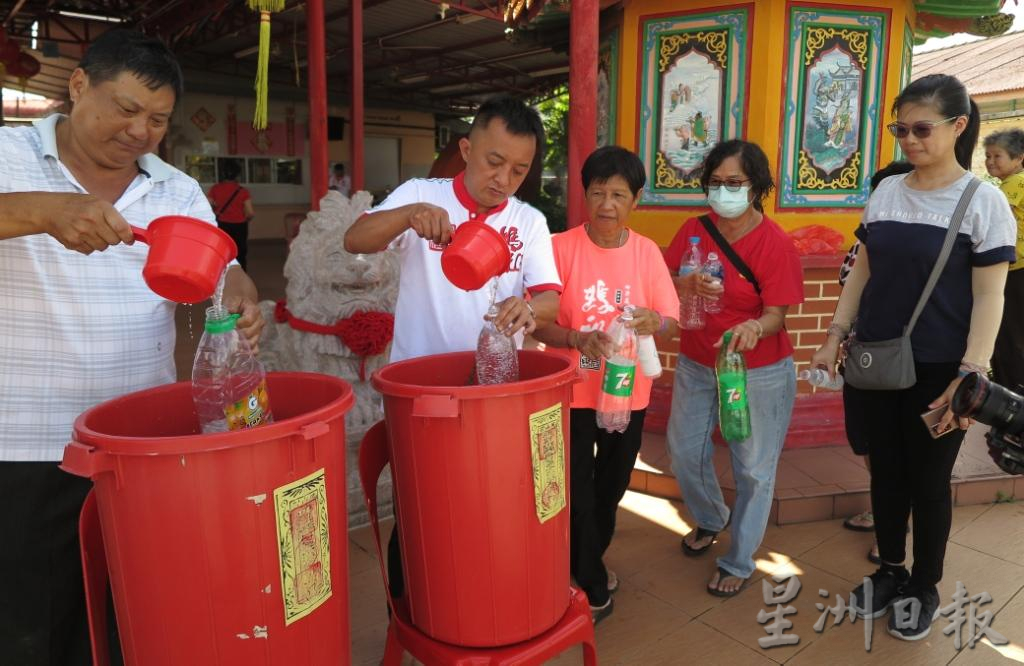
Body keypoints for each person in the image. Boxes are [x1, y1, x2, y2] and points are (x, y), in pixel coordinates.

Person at [0, 30, 264, 666]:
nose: (140, 130)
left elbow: (225, 270)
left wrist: (243, 299)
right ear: (80, 85)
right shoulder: (8, 151)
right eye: (126, 108)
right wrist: (43, 211)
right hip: (23, 443)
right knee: (32, 626)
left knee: (134, 621)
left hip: (137, 448)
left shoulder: (175, 188)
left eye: (157, 119)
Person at [811, 74, 1015, 641]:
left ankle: (924, 584)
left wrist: (972, 374)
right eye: (900, 129)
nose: (909, 140)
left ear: (958, 126)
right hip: (875, 360)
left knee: (928, 481)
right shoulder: (887, 192)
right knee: (885, 472)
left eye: (921, 129)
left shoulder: (984, 202)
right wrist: (834, 335)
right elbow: (863, 273)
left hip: (939, 370)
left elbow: (989, 295)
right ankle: (891, 570)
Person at [344, 95, 562, 599]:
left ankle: (477, 601)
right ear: (466, 148)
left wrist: (530, 310)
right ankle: (412, 606)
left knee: (487, 502)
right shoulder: (424, 192)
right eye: (494, 161)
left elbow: (550, 296)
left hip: (493, 394)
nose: (504, 178)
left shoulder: (528, 222)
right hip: (419, 393)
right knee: (420, 504)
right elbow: (355, 239)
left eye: (519, 169)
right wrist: (408, 215)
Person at [532, 146, 679, 623]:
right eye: (598, 192)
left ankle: (585, 559)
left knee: (612, 485)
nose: (607, 204)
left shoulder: (646, 253)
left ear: (635, 199)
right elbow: (536, 324)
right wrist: (577, 337)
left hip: (625, 394)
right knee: (575, 487)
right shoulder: (559, 248)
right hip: (571, 392)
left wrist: (654, 318)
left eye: (618, 194)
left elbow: (671, 321)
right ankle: (591, 581)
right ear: (585, 194)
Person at [663, 139, 804, 597]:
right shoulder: (692, 229)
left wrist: (753, 328)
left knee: (753, 469)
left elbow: (777, 315)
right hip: (698, 361)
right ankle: (710, 517)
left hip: (756, 370)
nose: (723, 191)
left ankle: (739, 560)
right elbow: (664, 281)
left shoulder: (774, 244)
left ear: (756, 186)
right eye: (715, 183)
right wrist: (683, 283)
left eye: (734, 183)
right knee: (683, 450)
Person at [836, 160, 914, 564]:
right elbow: (849, 293)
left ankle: (894, 528)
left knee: (894, 448)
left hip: (898, 361)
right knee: (868, 442)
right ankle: (885, 510)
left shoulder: (914, 246)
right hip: (862, 358)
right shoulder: (865, 241)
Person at [983, 129, 1024, 390]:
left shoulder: (1012, 185)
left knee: (1008, 335)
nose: (990, 161)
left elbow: (996, 224)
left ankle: (1011, 395)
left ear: (1019, 157)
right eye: (987, 156)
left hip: (1015, 268)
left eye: (998, 155)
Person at [208, 159, 254, 270]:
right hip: (239, 226)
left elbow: (208, 206)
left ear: (223, 173)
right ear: (237, 174)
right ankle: (240, 274)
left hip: (222, 225)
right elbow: (250, 213)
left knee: (222, 251)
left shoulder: (215, 189)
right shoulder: (243, 191)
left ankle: (221, 274)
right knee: (240, 252)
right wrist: (245, 218)